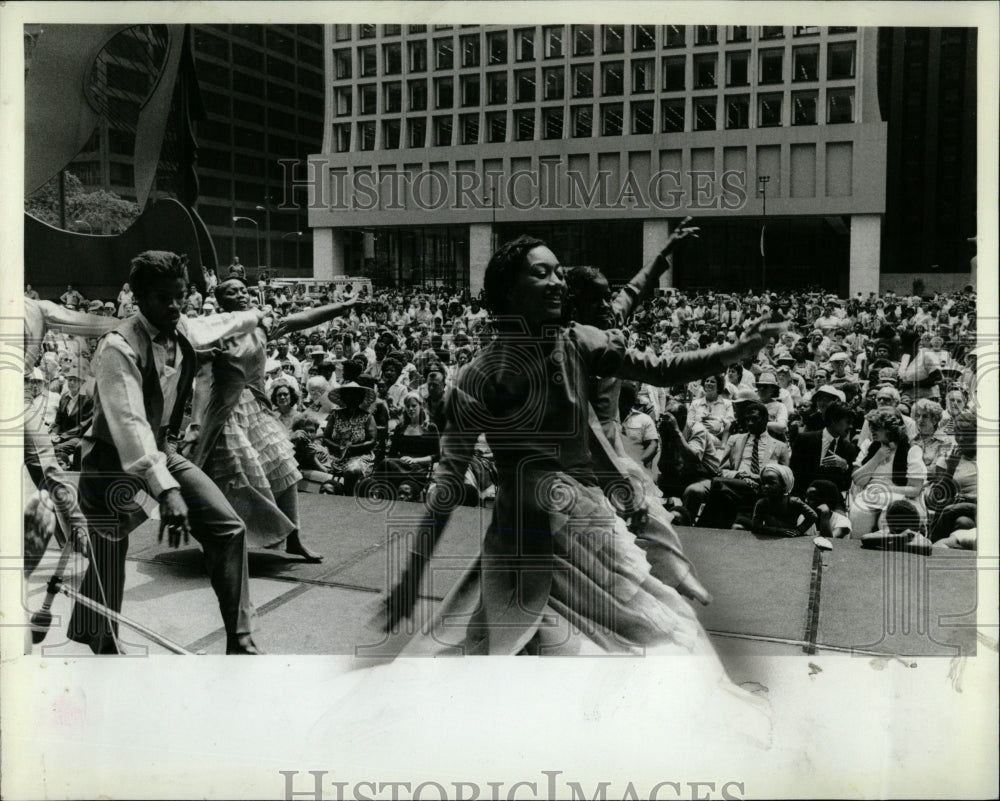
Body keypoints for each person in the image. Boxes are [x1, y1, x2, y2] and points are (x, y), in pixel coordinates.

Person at [383, 234, 784, 656]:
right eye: (542, 273)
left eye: (559, 272)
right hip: (523, 534)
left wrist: (737, 350)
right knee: (537, 652)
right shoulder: (479, 374)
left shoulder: (580, 340)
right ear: (508, 289)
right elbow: (446, 485)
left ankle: (674, 572)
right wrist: (408, 583)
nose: (557, 282)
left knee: (650, 639)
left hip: (587, 518)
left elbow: (660, 369)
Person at [66, 251, 267, 654]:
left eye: (180, 296)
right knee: (109, 553)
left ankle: (240, 639)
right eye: (163, 298)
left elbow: (222, 321)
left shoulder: (183, 328)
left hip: (160, 450)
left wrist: (257, 317)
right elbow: (130, 425)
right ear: (138, 298)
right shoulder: (117, 348)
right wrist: (166, 490)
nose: (174, 306)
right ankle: (100, 642)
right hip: (110, 461)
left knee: (228, 527)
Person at [190, 279, 359, 563]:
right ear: (221, 301)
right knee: (234, 474)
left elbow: (302, 318)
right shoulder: (214, 332)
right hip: (225, 414)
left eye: (244, 290)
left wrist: (342, 306)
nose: (241, 294)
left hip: (257, 408)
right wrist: (195, 424)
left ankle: (294, 539)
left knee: (283, 465)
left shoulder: (261, 324)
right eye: (232, 292)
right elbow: (203, 380)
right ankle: (222, 541)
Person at [691, 402, 792, 529]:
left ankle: (703, 528)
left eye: (754, 419)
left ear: (766, 420)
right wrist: (740, 474)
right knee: (721, 487)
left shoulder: (780, 446)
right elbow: (722, 470)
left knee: (718, 485)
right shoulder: (735, 440)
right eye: (747, 420)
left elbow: (785, 478)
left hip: (760, 489)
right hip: (736, 484)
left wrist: (755, 477)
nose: (749, 423)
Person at [848, 407, 927, 537]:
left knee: (887, 521)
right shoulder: (869, 446)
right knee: (858, 516)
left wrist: (885, 489)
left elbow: (915, 489)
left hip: (901, 497)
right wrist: (876, 458)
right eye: (871, 426)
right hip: (870, 496)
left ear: (891, 429)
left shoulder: (912, 450)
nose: (872, 430)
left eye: (877, 426)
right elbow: (858, 480)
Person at [377, 391, 441, 499]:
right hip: (399, 465)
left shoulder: (430, 427)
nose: (410, 409)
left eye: (414, 405)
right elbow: (392, 453)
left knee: (402, 485)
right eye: (407, 406)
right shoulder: (400, 427)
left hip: (418, 468)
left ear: (421, 406)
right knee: (385, 463)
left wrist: (416, 460)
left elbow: (437, 456)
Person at [788, 401, 858, 496]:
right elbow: (793, 472)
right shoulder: (805, 439)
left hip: (832, 500)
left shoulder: (850, 448)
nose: (851, 426)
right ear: (834, 420)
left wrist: (844, 466)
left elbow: (846, 485)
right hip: (803, 496)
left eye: (852, 423)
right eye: (848, 422)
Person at [323, 375, 378, 495]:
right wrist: (338, 448)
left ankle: (348, 498)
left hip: (359, 455)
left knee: (352, 471)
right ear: (343, 397)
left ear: (360, 397)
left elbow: (372, 441)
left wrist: (350, 448)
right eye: (348, 394)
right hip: (334, 454)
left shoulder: (367, 416)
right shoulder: (335, 415)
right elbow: (326, 437)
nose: (351, 397)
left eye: (355, 394)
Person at [745, 465, 817, 537]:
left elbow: (812, 516)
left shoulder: (793, 502)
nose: (766, 486)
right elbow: (756, 527)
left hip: (790, 540)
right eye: (763, 483)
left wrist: (799, 530)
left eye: (771, 483)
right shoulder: (761, 503)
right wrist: (780, 531)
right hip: (769, 537)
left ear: (784, 486)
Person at [49, 367, 93, 470]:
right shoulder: (64, 397)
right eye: (70, 379)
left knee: (57, 449)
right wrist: (53, 434)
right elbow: (58, 421)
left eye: (76, 380)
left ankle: (68, 467)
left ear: (82, 382)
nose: (72, 382)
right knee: (45, 444)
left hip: (80, 437)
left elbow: (83, 426)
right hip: (62, 435)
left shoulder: (88, 399)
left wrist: (62, 437)